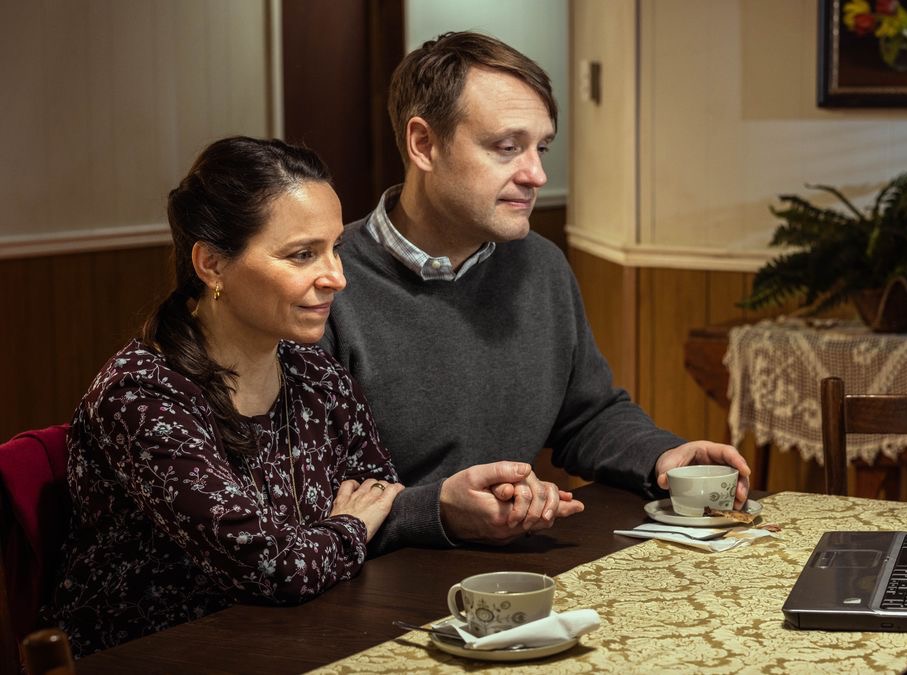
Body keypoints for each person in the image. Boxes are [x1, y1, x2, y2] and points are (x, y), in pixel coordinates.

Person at [321, 32, 750, 549]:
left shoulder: (541, 267)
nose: (537, 174)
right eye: (507, 148)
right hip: (363, 585)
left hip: (513, 578)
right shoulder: (327, 285)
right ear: (423, 144)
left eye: (541, 147)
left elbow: (586, 415)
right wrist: (435, 510)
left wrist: (663, 457)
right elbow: (302, 495)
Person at [45, 137, 403, 656]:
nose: (337, 279)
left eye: (335, 250)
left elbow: (380, 491)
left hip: (292, 639)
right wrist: (347, 526)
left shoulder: (312, 370)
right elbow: (275, 568)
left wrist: (332, 534)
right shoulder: (143, 396)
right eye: (303, 255)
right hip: (157, 655)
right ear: (211, 264)